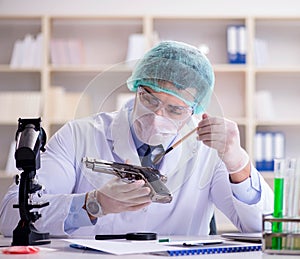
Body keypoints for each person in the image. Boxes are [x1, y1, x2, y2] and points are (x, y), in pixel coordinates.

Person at [0, 40, 273, 237]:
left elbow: (265, 228)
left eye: (175, 109)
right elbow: (9, 216)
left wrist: (238, 164)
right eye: (149, 99)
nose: (157, 116)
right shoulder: (78, 135)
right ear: (135, 89)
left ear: (195, 111)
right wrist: (92, 204)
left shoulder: (208, 152)